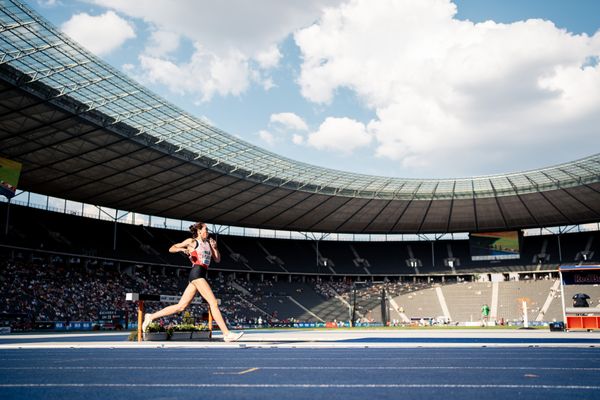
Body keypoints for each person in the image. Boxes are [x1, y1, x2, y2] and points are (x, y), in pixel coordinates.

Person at [142, 221, 243, 342]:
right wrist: (182, 249)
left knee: (181, 307)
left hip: (200, 275)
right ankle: (226, 334)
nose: (208, 232)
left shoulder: (209, 244)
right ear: (199, 231)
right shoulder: (192, 241)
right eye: (206, 230)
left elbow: (217, 259)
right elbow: (171, 248)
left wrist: (215, 248)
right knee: (213, 303)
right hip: (196, 273)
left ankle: (151, 316)